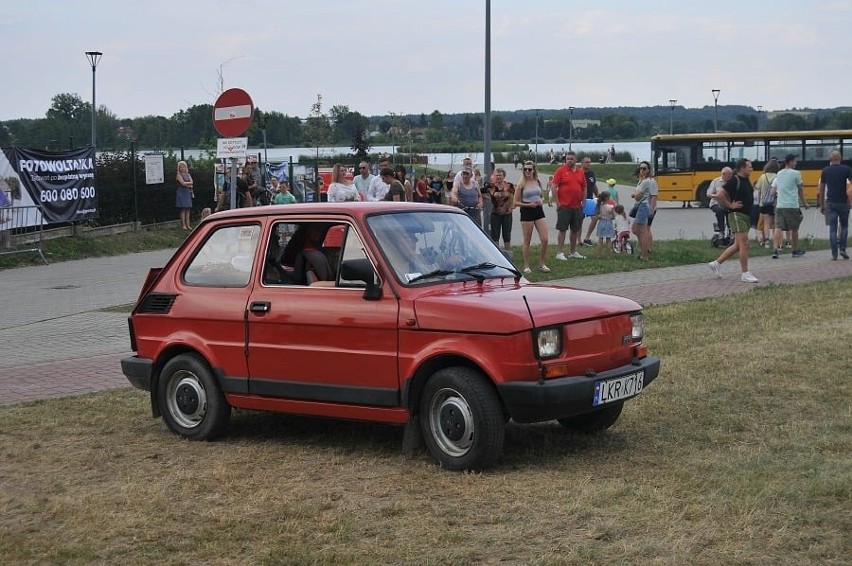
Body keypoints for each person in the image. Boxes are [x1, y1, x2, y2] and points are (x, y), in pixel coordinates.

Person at [708, 158, 758, 283]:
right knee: (744, 244)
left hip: (745, 215)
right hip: (737, 215)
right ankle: (745, 273)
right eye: (749, 166)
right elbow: (720, 194)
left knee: (737, 245)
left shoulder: (746, 180)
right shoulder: (734, 180)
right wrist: (730, 205)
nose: (751, 169)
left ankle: (716, 263)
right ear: (742, 167)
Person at [513, 160, 550, 273]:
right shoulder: (521, 184)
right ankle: (526, 265)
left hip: (538, 210)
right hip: (527, 212)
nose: (527, 171)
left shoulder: (537, 181)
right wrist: (529, 205)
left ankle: (542, 263)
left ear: (534, 170)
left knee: (545, 239)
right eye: (525, 169)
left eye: (529, 169)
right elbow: (515, 202)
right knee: (527, 240)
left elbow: (542, 196)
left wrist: (541, 200)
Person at [771, 154, 809, 258]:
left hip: (780, 205)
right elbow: (800, 190)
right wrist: (804, 203)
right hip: (792, 205)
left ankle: (775, 250)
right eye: (795, 161)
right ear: (790, 162)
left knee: (778, 227)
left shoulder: (779, 173)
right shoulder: (796, 173)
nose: (796, 163)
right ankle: (795, 250)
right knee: (794, 228)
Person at [551, 151, 587, 260]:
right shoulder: (561, 171)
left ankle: (573, 252)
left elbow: (584, 187)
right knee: (562, 229)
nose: (569, 161)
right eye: (567, 159)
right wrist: (557, 202)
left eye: (571, 159)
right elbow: (553, 187)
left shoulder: (580, 172)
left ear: (576, 159)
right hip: (564, 206)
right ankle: (560, 253)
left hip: (577, 206)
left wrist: (584, 201)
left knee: (575, 230)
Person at [817, 149, 852, 260]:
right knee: (844, 226)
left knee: (832, 228)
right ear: (840, 159)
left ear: (830, 159)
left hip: (830, 203)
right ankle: (842, 249)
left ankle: (834, 254)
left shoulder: (825, 170)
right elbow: (850, 186)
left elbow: (821, 189)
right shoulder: (847, 169)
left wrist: (822, 204)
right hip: (843, 202)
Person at [631, 161, 658, 261]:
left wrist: (651, 210)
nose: (642, 170)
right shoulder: (642, 181)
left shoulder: (648, 181)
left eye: (644, 168)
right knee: (636, 229)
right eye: (640, 168)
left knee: (643, 231)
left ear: (648, 170)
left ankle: (644, 254)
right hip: (640, 206)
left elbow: (652, 196)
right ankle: (644, 249)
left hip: (643, 206)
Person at [754, 159, 780, 247]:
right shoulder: (777, 176)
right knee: (774, 224)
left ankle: (767, 241)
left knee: (766, 223)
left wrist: (759, 201)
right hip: (774, 203)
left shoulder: (762, 177)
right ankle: (776, 242)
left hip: (764, 203)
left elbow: (758, 189)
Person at [488, 168, 514, 250]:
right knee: (495, 236)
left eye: (500, 175)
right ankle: (496, 254)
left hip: (507, 214)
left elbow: (515, 196)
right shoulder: (492, 186)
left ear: (504, 176)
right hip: (495, 213)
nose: (498, 177)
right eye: (496, 175)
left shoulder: (509, 185)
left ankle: (508, 255)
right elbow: (494, 194)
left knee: (507, 235)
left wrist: (512, 205)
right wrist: (504, 194)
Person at [706, 167, 734, 236]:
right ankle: (721, 231)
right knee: (720, 210)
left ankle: (731, 231)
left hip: (728, 203)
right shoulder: (716, 181)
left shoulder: (732, 182)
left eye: (731, 174)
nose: (731, 176)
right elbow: (708, 194)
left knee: (731, 212)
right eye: (729, 174)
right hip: (716, 203)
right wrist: (717, 196)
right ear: (723, 174)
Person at [580, 156, 600, 246]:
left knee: (595, 217)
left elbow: (594, 186)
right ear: (582, 163)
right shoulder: (579, 173)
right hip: (580, 200)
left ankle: (587, 238)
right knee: (579, 220)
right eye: (587, 162)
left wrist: (598, 196)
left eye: (589, 162)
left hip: (590, 200)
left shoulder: (591, 173)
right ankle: (578, 240)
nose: (588, 164)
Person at [175, 160, 194, 231]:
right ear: (179, 168)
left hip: (187, 192)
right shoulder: (178, 175)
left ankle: (188, 224)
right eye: (181, 167)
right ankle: (183, 225)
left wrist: (187, 183)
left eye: (183, 167)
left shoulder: (188, 174)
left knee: (188, 209)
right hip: (181, 192)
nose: (182, 168)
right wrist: (188, 184)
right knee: (183, 209)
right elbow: (182, 183)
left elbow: (192, 182)